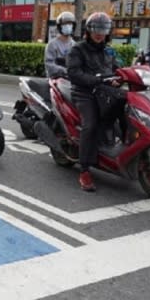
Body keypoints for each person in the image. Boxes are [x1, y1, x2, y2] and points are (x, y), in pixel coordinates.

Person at [67, 12, 121, 192]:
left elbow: (117, 69)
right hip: (84, 93)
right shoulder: (78, 49)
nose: (99, 33)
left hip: (106, 92)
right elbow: (74, 74)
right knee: (90, 125)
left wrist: (120, 78)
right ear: (88, 31)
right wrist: (96, 80)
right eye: (95, 29)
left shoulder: (108, 50)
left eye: (103, 29)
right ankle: (84, 170)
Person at [44, 11, 76, 79]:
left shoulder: (74, 45)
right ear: (59, 26)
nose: (68, 26)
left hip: (70, 79)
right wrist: (63, 70)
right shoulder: (52, 45)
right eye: (65, 24)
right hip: (55, 79)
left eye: (70, 24)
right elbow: (49, 64)